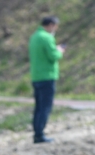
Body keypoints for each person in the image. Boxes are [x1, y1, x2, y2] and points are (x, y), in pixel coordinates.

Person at [28, 15, 65, 144]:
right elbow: (53, 56)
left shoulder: (34, 36)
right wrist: (60, 50)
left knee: (38, 107)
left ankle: (37, 133)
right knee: (45, 107)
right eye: (55, 26)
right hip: (47, 76)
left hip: (36, 76)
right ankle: (40, 134)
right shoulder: (47, 37)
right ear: (51, 25)